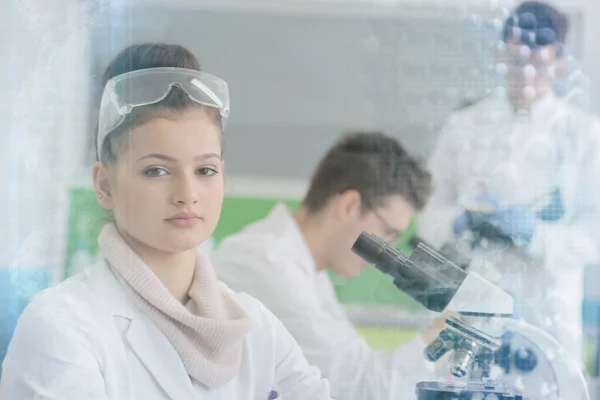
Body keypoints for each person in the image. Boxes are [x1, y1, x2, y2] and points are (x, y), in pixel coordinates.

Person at [0, 43, 334, 400]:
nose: (187, 193)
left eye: (205, 170)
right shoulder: (61, 326)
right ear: (105, 185)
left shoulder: (257, 329)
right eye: (156, 170)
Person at [417, 1, 600, 366]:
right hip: (472, 297)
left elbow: (594, 231)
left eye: (540, 64)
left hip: (547, 308)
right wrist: (458, 220)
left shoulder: (584, 134)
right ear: (499, 54)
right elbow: (426, 212)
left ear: (560, 64)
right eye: (516, 62)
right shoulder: (464, 125)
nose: (527, 75)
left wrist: (537, 235)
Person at [213, 131, 447, 400]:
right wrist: (447, 330)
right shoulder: (267, 263)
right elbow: (360, 390)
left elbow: (358, 365)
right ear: (349, 205)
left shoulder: (309, 268)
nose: (389, 250)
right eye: (388, 233)